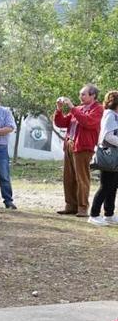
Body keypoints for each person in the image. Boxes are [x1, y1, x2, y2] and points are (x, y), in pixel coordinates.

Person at [54, 84, 103, 217]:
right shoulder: (79, 108)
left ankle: (82, 208)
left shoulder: (98, 109)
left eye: (83, 94)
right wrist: (59, 110)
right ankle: (70, 206)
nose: (80, 97)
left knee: (82, 178)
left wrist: (72, 107)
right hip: (70, 144)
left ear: (93, 96)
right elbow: (61, 123)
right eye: (80, 94)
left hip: (83, 147)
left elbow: (88, 122)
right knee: (68, 178)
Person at [89, 91, 118, 226]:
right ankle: (94, 214)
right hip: (109, 155)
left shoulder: (115, 115)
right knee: (106, 186)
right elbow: (107, 136)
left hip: (114, 156)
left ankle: (109, 214)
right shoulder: (110, 115)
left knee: (113, 186)